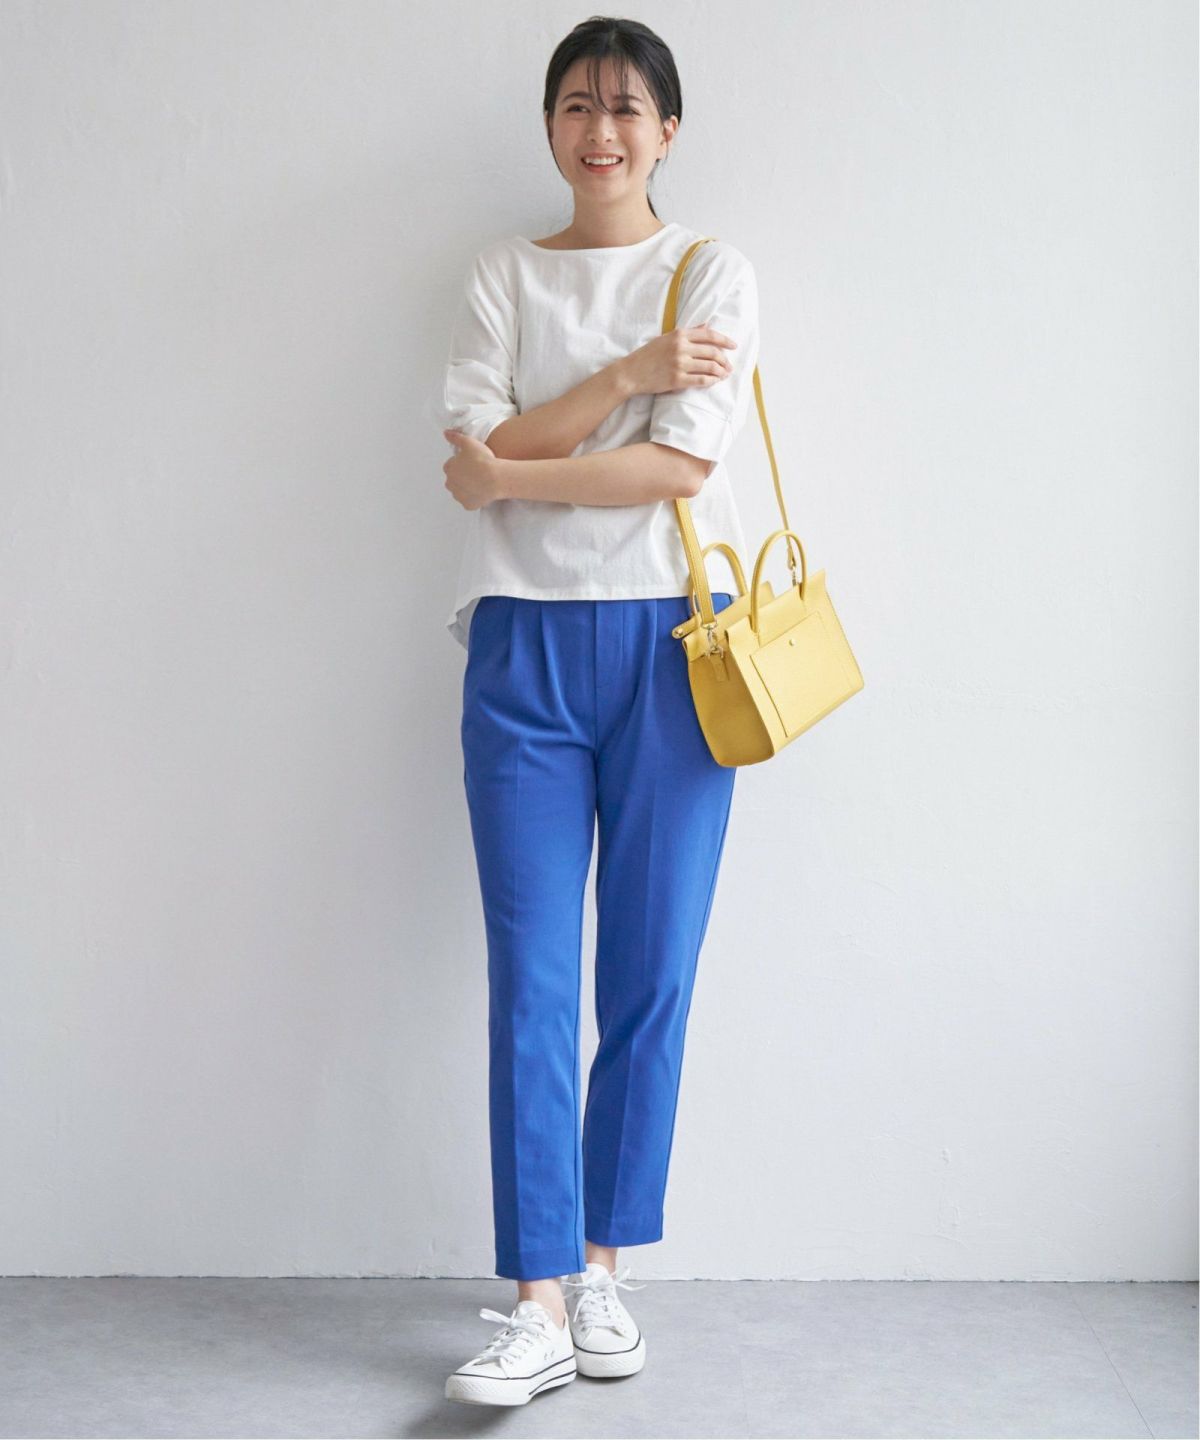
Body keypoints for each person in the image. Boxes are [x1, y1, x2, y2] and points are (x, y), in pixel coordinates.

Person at [429, 15, 761, 1408]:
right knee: (532, 974)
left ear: (668, 130)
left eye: (628, 107)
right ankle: (538, 1298)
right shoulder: (501, 274)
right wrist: (626, 378)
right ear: (551, 126)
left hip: (679, 646)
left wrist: (516, 470)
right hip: (522, 645)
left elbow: (673, 476)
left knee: (650, 967)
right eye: (577, 104)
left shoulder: (713, 270)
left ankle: (606, 1268)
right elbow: (473, 450)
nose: (602, 129)